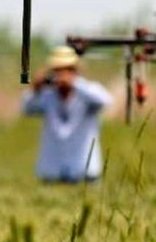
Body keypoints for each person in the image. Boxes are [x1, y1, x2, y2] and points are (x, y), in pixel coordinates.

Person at [22, 45, 113, 183]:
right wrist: (36, 89)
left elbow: (105, 100)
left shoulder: (87, 92)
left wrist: (73, 83)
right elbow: (26, 108)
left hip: (84, 171)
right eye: (57, 71)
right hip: (52, 172)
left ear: (75, 70)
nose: (61, 75)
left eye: (67, 70)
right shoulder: (47, 96)